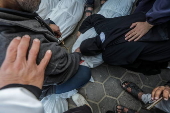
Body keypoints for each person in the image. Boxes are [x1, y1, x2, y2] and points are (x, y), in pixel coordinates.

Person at [0, 0, 91, 97]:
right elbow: (64, 65)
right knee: (84, 73)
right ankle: (48, 90)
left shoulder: (10, 11)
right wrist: (77, 54)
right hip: (37, 84)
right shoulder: (26, 46)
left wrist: (46, 26)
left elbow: (28, 18)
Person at [0, 36, 93, 113]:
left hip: (38, 93)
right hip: (43, 91)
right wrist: (76, 55)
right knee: (84, 73)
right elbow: (63, 67)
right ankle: (84, 108)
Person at [72, 0, 136, 68]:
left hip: (109, 16)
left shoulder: (77, 49)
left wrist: (82, 30)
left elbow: (93, 18)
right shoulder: (92, 60)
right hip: (116, 15)